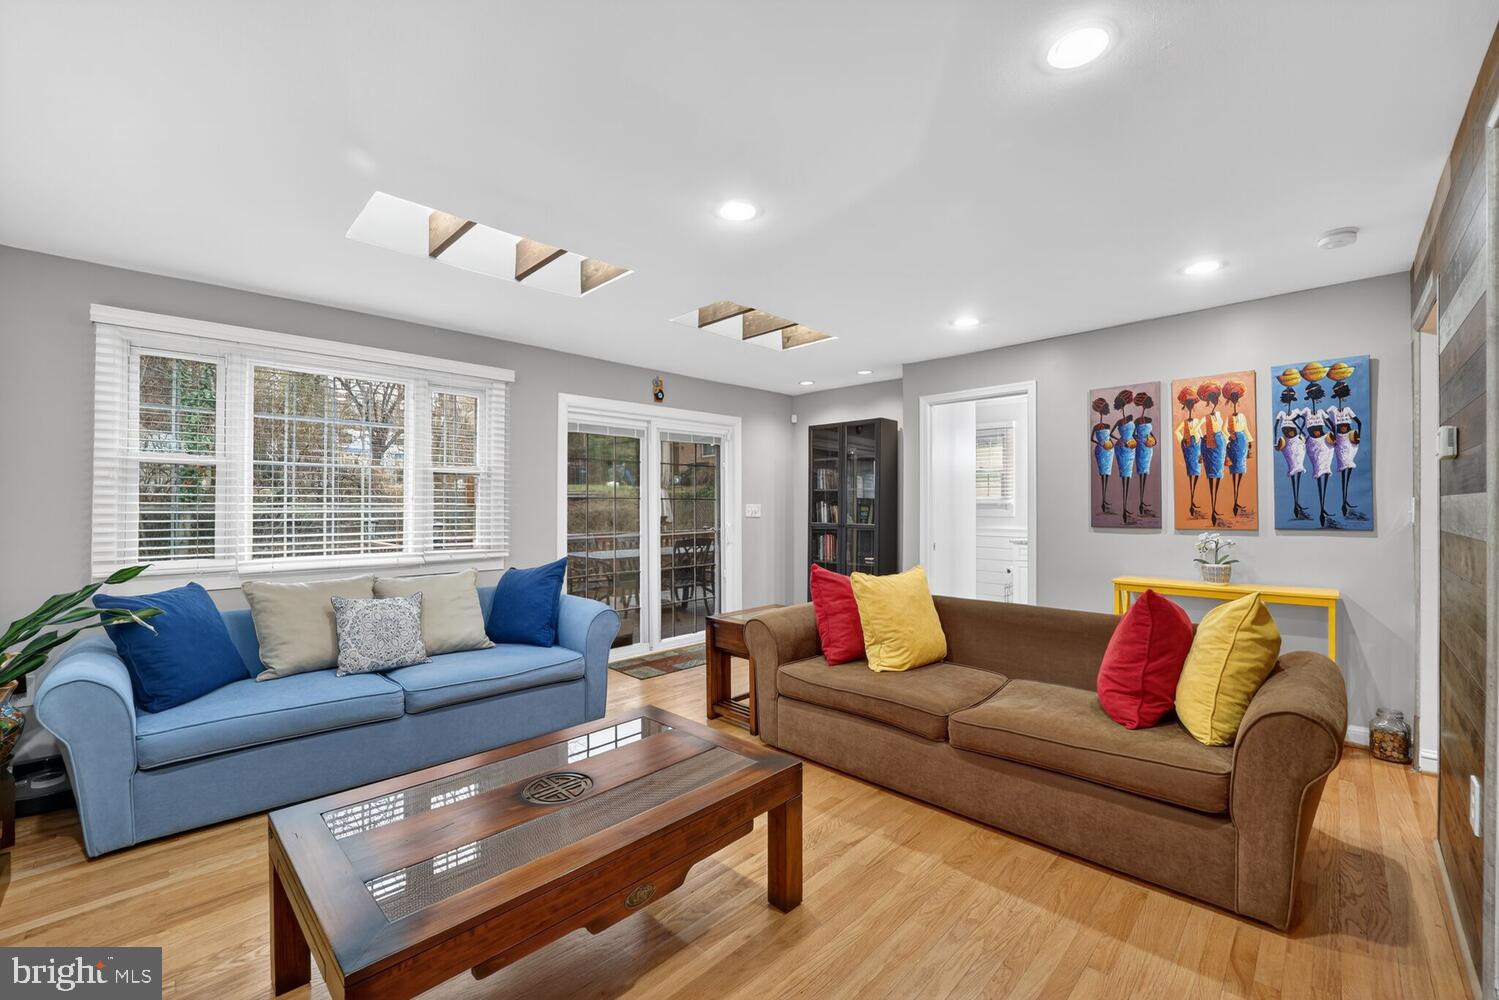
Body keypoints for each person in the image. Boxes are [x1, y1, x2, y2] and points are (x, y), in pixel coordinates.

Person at [1303, 380, 1337, 528]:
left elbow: (1332, 425)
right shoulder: (1305, 412)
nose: (1314, 399)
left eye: (1314, 396)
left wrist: (1334, 436)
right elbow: (1301, 425)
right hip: (1312, 444)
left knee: (1325, 471)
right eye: (1311, 396)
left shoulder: (1322, 412)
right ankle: (1321, 509)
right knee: (1318, 471)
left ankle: (1323, 508)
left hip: (1325, 444)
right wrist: (1303, 435)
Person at [1273, 386, 1311, 521]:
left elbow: (1305, 420)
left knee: (1299, 468)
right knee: (1293, 469)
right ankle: (1295, 503)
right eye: (1287, 398)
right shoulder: (1282, 414)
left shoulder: (1296, 412)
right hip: (1287, 444)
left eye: (1290, 398)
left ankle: (1297, 502)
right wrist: (1275, 441)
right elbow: (1275, 426)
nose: (1289, 401)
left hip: (1298, 442)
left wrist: (1303, 433)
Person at [1330, 379, 1365, 520]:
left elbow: (1359, 422)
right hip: (1339, 440)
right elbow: (1329, 423)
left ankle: (1345, 500)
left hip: (1349, 440)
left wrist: (1358, 437)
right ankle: (1343, 502)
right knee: (1343, 468)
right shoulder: (1332, 410)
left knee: (1348, 467)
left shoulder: (1348, 410)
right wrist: (1333, 435)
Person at [1197, 381, 1227, 526]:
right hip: (1209, 445)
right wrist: (1201, 438)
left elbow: (1222, 431)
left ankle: (1215, 507)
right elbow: (1197, 428)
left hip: (1219, 444)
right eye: (1212, 397)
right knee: (1210, 475)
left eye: (1215, 397)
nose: (1215, 400)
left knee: (1219, 473)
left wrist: (1226, 444)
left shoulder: (1219, 415)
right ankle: (1212, 508)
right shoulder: (1206, 417)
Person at [1222, 380, 1254, 518]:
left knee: (1240, 468)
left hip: (1242, 442)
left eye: (1236, 398)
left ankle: (1237, 499)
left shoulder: (1242, 416)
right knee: (1234, 469)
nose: (1234, 400)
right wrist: (1230, 436)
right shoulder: (1228, 417)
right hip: (1233, 444)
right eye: (1232, 398)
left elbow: (1246, 429)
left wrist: (1250, 442)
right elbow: (1223, 430)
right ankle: (1234, 501)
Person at [1175, 386, 1204, 519]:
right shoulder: (1185, 422)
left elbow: (1201, 434)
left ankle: (1193, 500)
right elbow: (1177, 432)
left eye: (1191, 404)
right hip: (1188, 447)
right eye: (1189, 404)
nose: (1190, 407)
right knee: (1190, 472)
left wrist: (1200, 445)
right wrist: (1183, 441)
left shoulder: (1197, 421)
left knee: (1196, 471)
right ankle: (1191, 501)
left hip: (1196, 446)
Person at [1111, 389, 1137, 524]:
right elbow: (1110, 434)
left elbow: (1135, 432)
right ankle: (1124, 509)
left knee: (1128, 475)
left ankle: (1125, 508)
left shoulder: (1130, 418)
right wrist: (1120, 440)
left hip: (1130, 448)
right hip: (1122, 448)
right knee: (1124, 476)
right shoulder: (1120, 422)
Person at [1133, 391, 1157, 518]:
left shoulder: (1148, 420)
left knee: (1145, 472)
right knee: (1141, 472)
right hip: (1141, 447)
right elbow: (1132, 435)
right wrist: (1139, 439)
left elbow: (1151, 435)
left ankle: (1142, 502)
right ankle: (1140, 503)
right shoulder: (1136, 421)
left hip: (1148, 449)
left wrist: (1153, 441)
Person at [1090, 397, 1115, 515]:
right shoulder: (1096, 427)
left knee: (1107, 474)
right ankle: (1103, 500)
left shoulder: (1108, 425)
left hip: (1109, 451)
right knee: (1102, 474)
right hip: (1101, 450)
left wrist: (1111, 443)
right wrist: (1100, 443)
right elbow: (1091, 439)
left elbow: (1109, 437)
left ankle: (1105, 500)